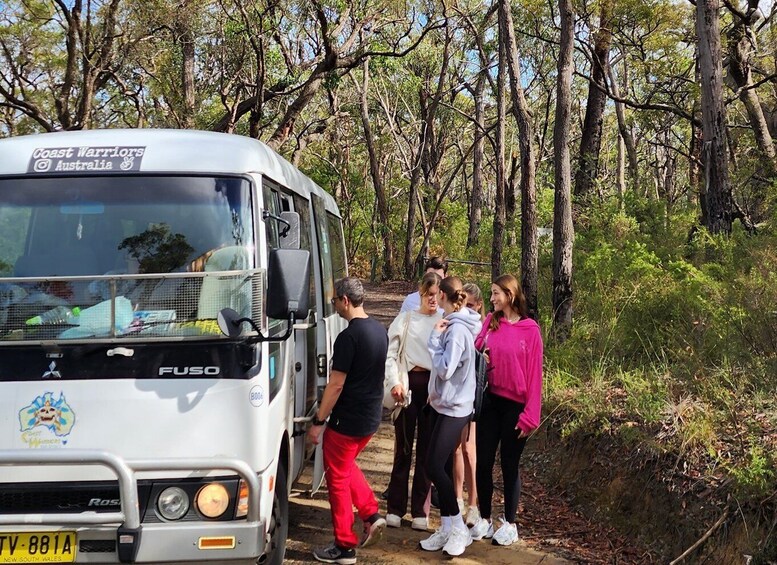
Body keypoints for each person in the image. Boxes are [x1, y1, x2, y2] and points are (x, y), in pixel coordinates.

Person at [309, 277, 389, 564]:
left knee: (337, 478)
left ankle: (344, 546)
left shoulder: (348, 337)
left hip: (347, 420)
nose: (335, 307)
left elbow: (336, 384)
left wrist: (319, 420)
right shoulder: (379, 330)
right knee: (345, 465)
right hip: (370, 418)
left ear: (345, 300)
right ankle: (371, 513)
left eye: (334, 301)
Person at [469, 274, 543, 547]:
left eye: (496, 293)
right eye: (491, 294)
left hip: (515, 407)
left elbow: (536, 375)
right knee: (484, 461)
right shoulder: (490, 322)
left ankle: (510, 523)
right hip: (489, 402)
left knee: (510, 465)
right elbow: (476, 349)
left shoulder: (530, 330)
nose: (492, 299)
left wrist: (530, 416)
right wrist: (481, 352)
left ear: (510, 295)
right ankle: (485, 519)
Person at [419, 276, 482, 557]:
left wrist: (434, 339)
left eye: (437, 295)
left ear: (444, 296)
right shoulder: (455, 325)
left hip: (456, 407)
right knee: (439, 467)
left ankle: (458, 528)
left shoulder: (456, 330)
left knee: (433, 466)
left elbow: (445, 369)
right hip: (442, 405)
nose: (434, 300)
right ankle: (446, 526)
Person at [384, 272, 442, 531]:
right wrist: (395, 382)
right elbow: (391, 355)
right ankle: (395, 507)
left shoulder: (445, 321)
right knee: (403, 449)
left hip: (432, 392)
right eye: (429, 294)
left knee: (427, 452)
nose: (433, 299)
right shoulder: (406, 319)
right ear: (421, 293)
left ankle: (421, 510)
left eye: (437, 295)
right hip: (407, 388)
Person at [451, 282, 485, 526]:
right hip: (454, 395)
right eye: (464, 305)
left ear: (479, 305)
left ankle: (473, 504)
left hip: (474, 398)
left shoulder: (483, 328)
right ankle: (456, 498)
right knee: (455, 448)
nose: (467, 309)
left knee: (469, 449)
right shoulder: (456, 323)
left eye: (472, 305)